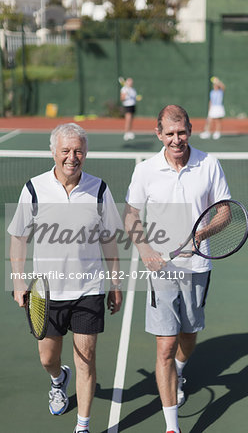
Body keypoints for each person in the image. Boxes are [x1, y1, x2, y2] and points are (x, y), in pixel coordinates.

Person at [8, 123, 123, 433]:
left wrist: (115, 283)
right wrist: (18, 283)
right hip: (45, 293)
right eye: (66, 151)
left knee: (86, 356)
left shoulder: (99, 189)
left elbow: (109, 238)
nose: (73, 157)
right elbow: (18, 237)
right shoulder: (34, 189)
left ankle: (82, 426)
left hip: (88, 290)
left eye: (78, 151)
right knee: (48, 358)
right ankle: (58, 379)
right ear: (53, 152)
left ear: (85, 153)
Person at [124, 105, 231, 433]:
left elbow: (225, 210)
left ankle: (179, 370)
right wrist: (145, 250)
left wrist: (202, 232)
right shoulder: (146, 170)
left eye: (181, 132)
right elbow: (130, 214)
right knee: (165, 345)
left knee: (189, 333)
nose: (176, 139)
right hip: (161, 271)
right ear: (159, 134)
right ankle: (172, 427)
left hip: (198, 265)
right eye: (169, 133)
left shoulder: (208, 164)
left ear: (190, 130)